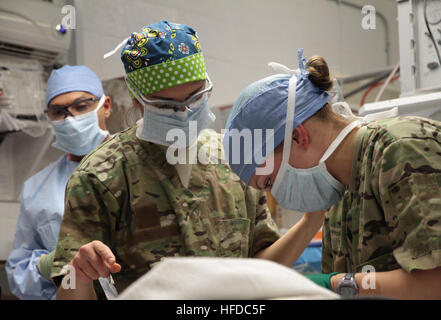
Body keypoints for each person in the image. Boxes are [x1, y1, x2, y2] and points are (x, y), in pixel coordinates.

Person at [51, 21, 315, 300]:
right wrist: (79, 272)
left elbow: (262, 270)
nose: (184, 113)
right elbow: (69, 293)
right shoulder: (100, 176)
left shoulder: (235, 157)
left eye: (196, 97)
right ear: (137, 100)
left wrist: (312, 219)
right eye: (165, 106)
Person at [223, 48, 441, 299]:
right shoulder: (338, 196)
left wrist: (335, 283)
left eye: (269, 182)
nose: (277, 195)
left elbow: (434, 283)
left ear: (297, 136)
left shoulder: (402, 150)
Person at [6, 65, 112, 300]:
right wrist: (48, 266)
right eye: (58, 111)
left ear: (106, 106)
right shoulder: (37, 188)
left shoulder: (139, 163)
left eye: (81, 106)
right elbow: (19, 270)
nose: (70, 118)